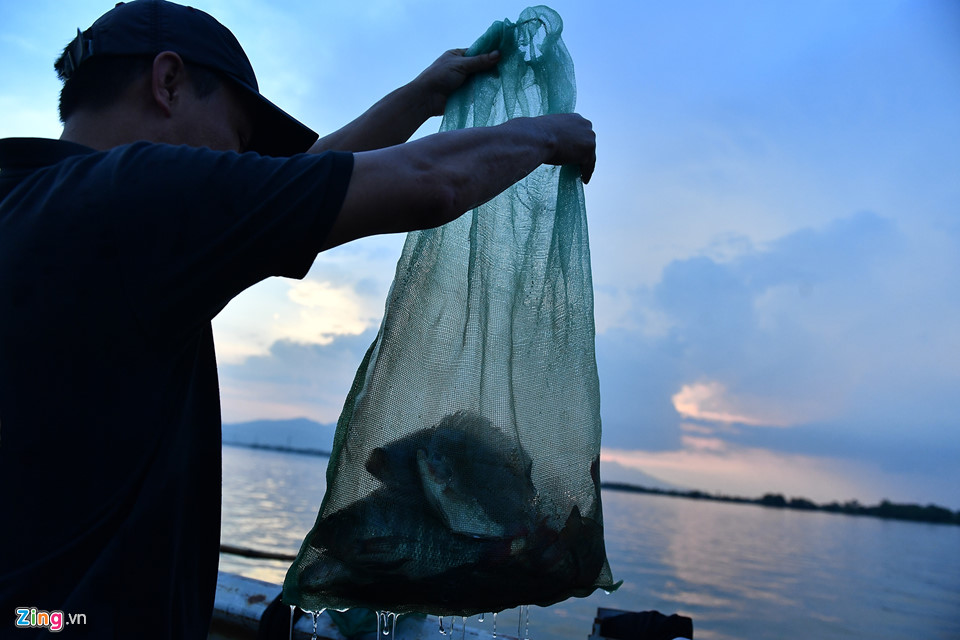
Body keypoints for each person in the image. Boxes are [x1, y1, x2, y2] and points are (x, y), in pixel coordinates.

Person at [0, 1, 596, 637]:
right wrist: (547, 136)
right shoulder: (138, 193)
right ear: (167, 81)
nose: (240, 155)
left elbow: (297, 183)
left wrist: (418, 98)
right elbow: (430, 182)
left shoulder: (33, 199)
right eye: (237, 133)